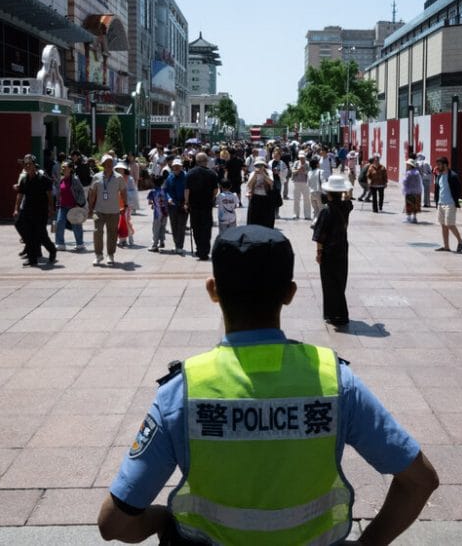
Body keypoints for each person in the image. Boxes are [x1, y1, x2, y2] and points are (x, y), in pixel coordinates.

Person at [96, 226, 439, 545]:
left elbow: (114, 524)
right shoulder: (335, 381)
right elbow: (420, 480)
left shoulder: (182, 391)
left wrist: (161, 519)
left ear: (213, 290)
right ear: (289, 294)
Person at [313, 174, 355, 326]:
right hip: (342, 248)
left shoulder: (326, 211)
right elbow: (349, 198)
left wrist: (318, 253)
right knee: (340, 280)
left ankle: (335, 314)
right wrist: (346, 189)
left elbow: (320, 236)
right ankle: (336, 312)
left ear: (328, 193)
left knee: (329, 282)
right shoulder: (346, 206)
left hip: (329, 251)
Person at [15, 154, 57, 267]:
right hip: (27, 211)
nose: (27, 166)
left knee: (41, 235)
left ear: (35, 165)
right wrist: (16, 209)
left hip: (40, 212)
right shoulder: (24, 180)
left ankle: (52, 250)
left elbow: (49, 195)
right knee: (28, 234)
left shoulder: (43, 179)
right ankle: (32, 259)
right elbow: (19, 195)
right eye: (26, 164)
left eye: (30, 164)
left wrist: (51, 209)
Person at [87, 154, 127, 266]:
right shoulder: (96, 177)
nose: (109, 165)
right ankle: (98, 255)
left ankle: (110, 255)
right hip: (98, 211)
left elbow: (123, 191)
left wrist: (125, 205)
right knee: (97, 232)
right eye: (106, 163)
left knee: (112, 234)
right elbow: (92, 193)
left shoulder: (119, 177)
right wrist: (90, 208)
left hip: (114, 211)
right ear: (103, 164)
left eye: (110, 163)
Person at [185, 152, 220, 261]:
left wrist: (186, 202)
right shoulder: (212, 174)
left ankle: (199, 249)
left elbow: (187, 190)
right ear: (206, 161)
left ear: (196, 161)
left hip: (194, 205)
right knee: (206, 228)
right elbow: (216, 190)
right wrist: (211, 197)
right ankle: (205, 250)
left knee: (196, 227)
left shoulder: (190, 173)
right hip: (207, 205)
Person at [434, 157, 462, 253]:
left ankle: (461, 241)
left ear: (445, 165)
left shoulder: (453, 176)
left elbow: (458, 189)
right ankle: (446, 246)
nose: (437, 166)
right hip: (441, 203)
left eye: (439, 164)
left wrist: (455, 200)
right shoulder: (439, 176)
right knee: (443, 225)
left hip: (450, 204)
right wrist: (437, 201)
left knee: (450, 224)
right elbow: (438, 190)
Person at [54, 160, 86, 252]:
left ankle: (80, 244)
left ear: (70, 169)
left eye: (65, 167)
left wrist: (78, 204)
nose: (63, 168)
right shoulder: (61, 179)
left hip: (74, 206)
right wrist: (57, 203)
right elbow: (59, 193)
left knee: (76, 225)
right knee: (60, 223)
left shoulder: (75, 180)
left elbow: (81, 192)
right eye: (62, 167)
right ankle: (60, 244)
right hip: (62, 206)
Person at [165, 159, 188, 255]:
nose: (176, 168)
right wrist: (169, 198)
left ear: (181, 167)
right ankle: (176, 244)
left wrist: (186, 202)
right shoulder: (169, 177)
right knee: (174, 225)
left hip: (183, 205)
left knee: (181, 226)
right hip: (172, 205)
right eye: (175, 166)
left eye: (178, 166)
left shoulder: (186, 176)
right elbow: (166, 190)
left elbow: (188, 190)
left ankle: (180, 246)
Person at [245, 157, 275, 228]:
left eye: (261, 165)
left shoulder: (269, 172)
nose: (259, 167)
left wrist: (264, 174)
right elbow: (249, 185)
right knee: (253, 220)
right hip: (255, 197)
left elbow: (271, 183)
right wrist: (255, 175)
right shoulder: (253, 173)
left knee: (266, 221)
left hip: (266, 198)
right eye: (257, 165)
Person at [147, 173, 169, 252]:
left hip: (157, 214)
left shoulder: (152, 192)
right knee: (163, 228)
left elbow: (150, 202)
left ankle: (154, 245)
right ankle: (162, 241)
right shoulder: (164, 191)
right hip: (165, 213)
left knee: (155, 229)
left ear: (153, 182)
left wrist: (153, 203)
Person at [291, 151, 311, 220]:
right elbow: (293, 171)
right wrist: (298, 170)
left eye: (303, 157)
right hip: (296, 182)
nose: (301, 159)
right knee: (296, 199)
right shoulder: (296, 163)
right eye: (300, 157)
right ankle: (295, 214)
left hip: (305, 183)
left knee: (307, 199)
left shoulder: (308, 163)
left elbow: (310, 172)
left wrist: (304, 171)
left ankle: (307, 215)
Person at [402, 158, 422, 223]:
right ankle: (414, 218)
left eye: (407, 165)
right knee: (415, 205)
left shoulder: (408, 173)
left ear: (410, 165)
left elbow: (405, 181)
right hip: (417, 191)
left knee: (409, 205)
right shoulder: (417, 172)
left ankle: (408, 218)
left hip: (409, 191)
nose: (406, 166)